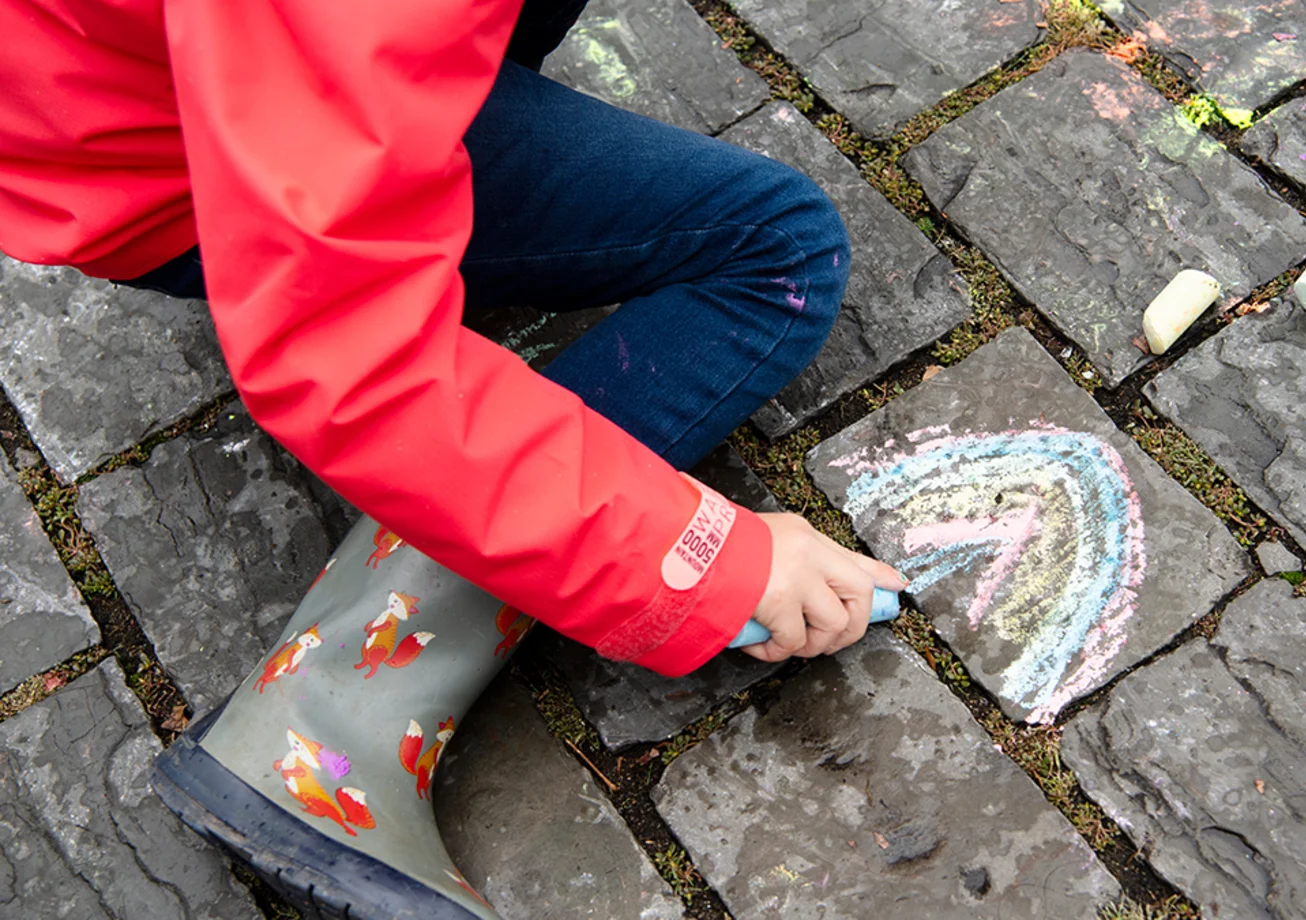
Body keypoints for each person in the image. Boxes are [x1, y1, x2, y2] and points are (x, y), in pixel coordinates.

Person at [0, 1, 905, 917]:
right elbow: (346, 345)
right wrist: (698, 559)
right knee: (775, 249)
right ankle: (331, 702)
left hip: (126, 91)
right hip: (186, 156)